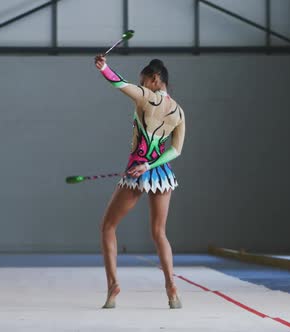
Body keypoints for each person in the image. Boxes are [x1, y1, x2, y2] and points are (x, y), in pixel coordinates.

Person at [95, 55, 186, 309]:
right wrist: (152, 165)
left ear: (155, 79)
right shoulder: (178, 111)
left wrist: (104, 68)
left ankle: (113, 285)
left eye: (143, 80)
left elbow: (119, 83)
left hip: (137, 170)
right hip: (161, 173)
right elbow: (175, 150)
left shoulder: (146, 96)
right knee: (159, 233)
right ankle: (172, 288)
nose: (141, 85)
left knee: (107, 227)